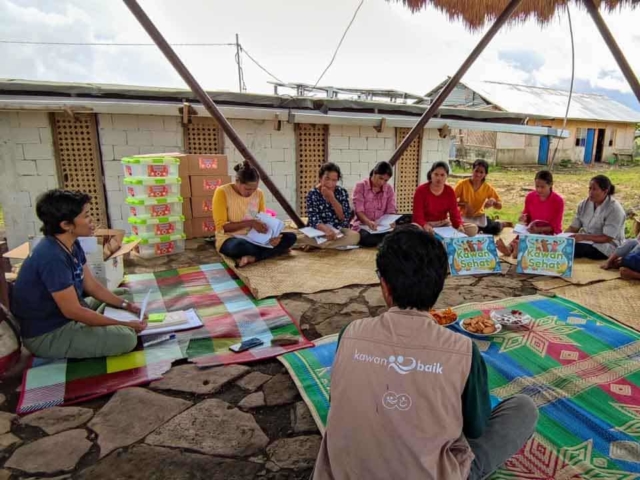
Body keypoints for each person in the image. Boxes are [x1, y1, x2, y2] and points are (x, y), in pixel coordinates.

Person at [312, 227, 538, 480]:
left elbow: (337, 400)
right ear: (440, 286)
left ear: (385, 286)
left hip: (343, 472)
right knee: (524, 408)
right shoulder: (464, 350)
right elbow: (476, 428)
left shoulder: (351, 332)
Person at [11, 190, 145, 359]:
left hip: (67, 314)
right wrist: (123, 323)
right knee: (127, 338)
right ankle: (109, 324)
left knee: (124, 295)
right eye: (86, 215)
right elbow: (73, 312)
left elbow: (92, 285)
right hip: (49, 333)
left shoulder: (71, 244)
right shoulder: (51, 257)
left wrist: (127, 306)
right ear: (66, 225)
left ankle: (108, 321)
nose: (91, 221)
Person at [213, 161, 297, 267]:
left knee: (291, 237)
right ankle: (273, 251)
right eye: (247, 189)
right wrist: (251, 223)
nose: (251, 192)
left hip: (255, 238)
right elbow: (222, 227)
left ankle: (254, 257)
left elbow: (262, 220)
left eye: (254, 188)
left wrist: (271, 238)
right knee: (239, 246)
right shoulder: (222, 192)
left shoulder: (259, 193)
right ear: (237, 181)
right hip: (230, 238)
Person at [496, 170, 564, 258]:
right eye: (537, 186)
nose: (539, 190)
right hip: (531, 230)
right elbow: (527, 215)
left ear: (550, 185)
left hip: (549, 233)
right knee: (521, 235)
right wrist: (523, 218)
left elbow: (555, 226)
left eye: (542, 187)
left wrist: (539, 229)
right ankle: (510, 248)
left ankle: (520, 250)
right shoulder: (530, 197)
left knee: (543, 244)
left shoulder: (558, 201)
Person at [298, 162, 360, 249]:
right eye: (327, 179)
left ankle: (319, 245)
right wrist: (326, 230)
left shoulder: (341, 192)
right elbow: (313, 218)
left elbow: (344, 217)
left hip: (338, 229)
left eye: (334, 180)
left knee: (355, 236)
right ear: (320, 178)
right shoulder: (313, 193)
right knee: (299, 238)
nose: (330, 183)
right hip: (319, 230)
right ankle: (330, 244)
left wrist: (331, 198)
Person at [565, 175, 626, 260]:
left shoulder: (615, 209)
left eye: (594, 189)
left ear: (605, 191)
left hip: (607, 246)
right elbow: (573, 227)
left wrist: (583, 237)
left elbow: (607, 238)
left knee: (571, 249)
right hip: (586, 241)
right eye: (589, 188)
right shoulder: (584, 204)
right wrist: (561, 238)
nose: (590, 192)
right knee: (563, 245)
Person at [413, 161, 477, 236]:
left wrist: (459, 225)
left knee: (472, 229)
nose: (439, 178)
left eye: (442, 175)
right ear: (431, 174)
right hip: (425, 224)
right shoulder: (421, 190)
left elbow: (454, 213)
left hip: (443, 224)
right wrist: (424, 225)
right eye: (436, 174)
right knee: (416, 231)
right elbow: (417, 215)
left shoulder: (449, 191)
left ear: (447, 176)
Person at [352, 161, 397, 248]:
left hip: (382, 227)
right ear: (374, 173)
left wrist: (391, 221)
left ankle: (385, 242)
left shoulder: (388, 188)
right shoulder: (361, 186)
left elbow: (391, 209)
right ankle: (385, 242)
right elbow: (359, 211)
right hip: (364, 226)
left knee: (399, 235)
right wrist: (368, 222)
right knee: (367, 238)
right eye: (380, 178)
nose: (382, 182)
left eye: (386, 180)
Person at [454, 159, 505, 235]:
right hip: (463, 217)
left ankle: (501, 224)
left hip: (478, 217)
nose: (478, 174)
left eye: (481, 172)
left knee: (495, 228)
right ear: (472, 170)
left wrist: (493, 201)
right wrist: (464, 204)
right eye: (476, 171)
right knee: (460, 229)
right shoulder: (462, 184)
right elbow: (450, 201)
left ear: (485, 174)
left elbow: (499, 206)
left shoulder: (487, 187)